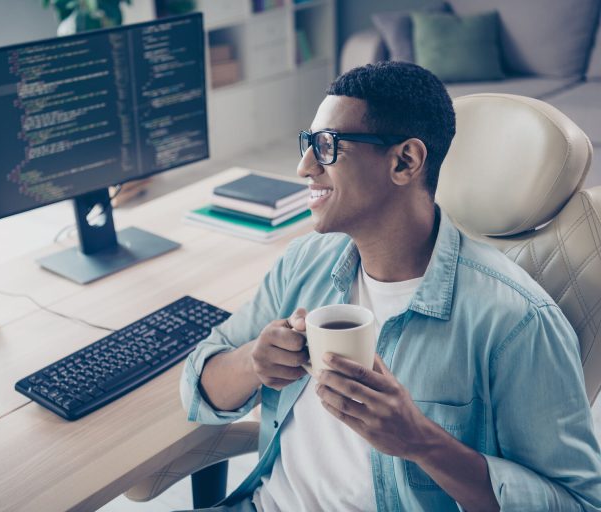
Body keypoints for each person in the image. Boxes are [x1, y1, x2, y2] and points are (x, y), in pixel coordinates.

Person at [180, 61, 601, 511]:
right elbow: (197, 387)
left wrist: (420, 441)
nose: (304, 167)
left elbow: (577, 503)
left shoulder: (515, 320)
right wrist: (253, 362)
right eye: (308, 144)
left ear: (405, 161)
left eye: (327, 147)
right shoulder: (304, 263)